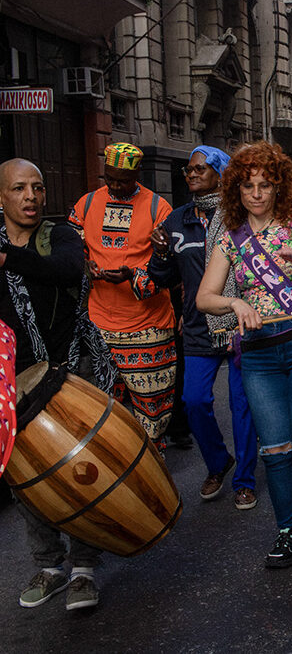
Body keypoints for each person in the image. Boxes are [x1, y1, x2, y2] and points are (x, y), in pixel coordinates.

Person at [196, 141, 292, 568]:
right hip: (259, 355)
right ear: (236, 189)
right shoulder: (230, 236)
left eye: (265, 184)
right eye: (248, 185)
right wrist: (234, 304)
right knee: (275, 449)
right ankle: (289, 533)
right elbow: (205, 297)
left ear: (279, 186)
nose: (257, 193)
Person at [0, 158, 115, 611]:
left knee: (81, 469)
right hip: (16, 379)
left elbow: (66, 271)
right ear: (2, 197)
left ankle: (84, 568)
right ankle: (50, 564)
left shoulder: (60, 236)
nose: (30, 196)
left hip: (72, 368)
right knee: (24, 476)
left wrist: (9, 257)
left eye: (37, 188)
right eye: (18, 189)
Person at [149, 146, 258, 509]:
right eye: (188, 170)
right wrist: (161, 254)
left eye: (200, 169)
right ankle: (217, 462)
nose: (192, 174)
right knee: (194, 401)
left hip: (242, 323)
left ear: (221, 174)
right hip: (197, 325)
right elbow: (162, 278)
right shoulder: (176, 221)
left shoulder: (240, 218)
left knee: (243, 406)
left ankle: (244, 479)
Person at [68, 143, 177, 449]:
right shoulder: (86, 204)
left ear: (137, 175)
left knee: (152, 409)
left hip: (148, 327)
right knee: (104, 407)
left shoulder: (159, 209)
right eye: (110, 179)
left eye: (123, 180)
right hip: (100, 324)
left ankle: (153, 465)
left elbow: (166, 267)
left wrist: (132, 275)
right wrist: (83, 263)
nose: (115, 186)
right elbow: (73, 248)